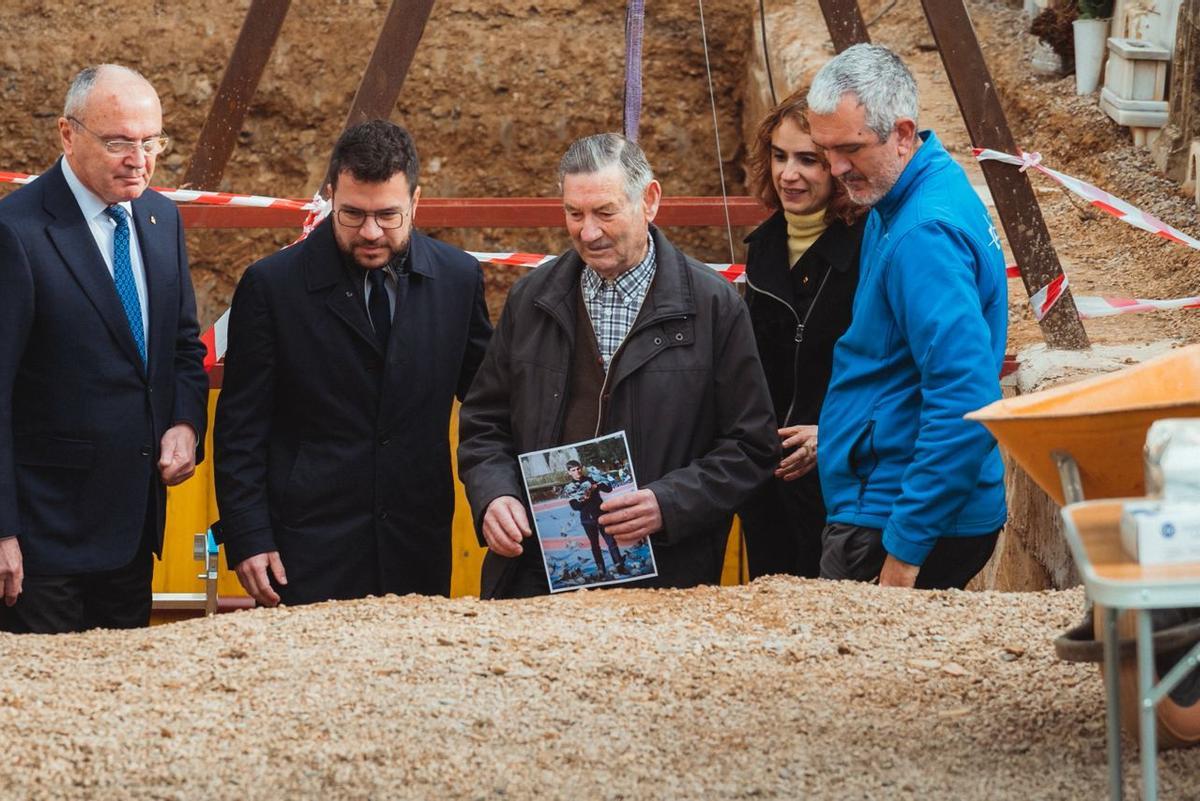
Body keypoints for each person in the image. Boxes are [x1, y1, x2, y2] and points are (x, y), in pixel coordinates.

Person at [457, 132, 778, 599]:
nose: (588, 232)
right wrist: (494, 495)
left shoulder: (715, 307)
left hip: (665, 583)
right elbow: (485, 422)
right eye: (574, 213)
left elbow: (751, 446)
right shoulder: (531, 299)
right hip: (535, 579)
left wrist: (667, 504)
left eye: (605, 212)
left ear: (649, 200)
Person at [213, 120, 492, 606]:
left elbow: (491, 402)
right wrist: (249, 536)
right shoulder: (271, 287)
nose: (370, 232)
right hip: (305, 550)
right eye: (352, 214)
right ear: (329, 197)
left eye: (388, 215)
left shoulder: (458, 279)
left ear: (416, 203)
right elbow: (240, 429)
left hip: (416, 546)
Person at [0, 65, 208, 633]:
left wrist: (186, 423)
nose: (138, 159)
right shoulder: (15, 231)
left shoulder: (160, 216)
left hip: (135, 530)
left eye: (151, 142)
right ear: (68, 135)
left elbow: (183, 347)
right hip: (44, 545)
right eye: (118, 142)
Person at [805, 44, 1007, 589]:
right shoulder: (911, 188)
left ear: (901, 132)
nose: (836, 168)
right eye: (825, 150)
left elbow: (966, 396)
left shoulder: (922, 235)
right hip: (902, 497)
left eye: (850, 148)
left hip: (895, 511)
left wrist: (905, 549)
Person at [737, 88, 866, 580]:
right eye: (779, 156)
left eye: (807, 160)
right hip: (766, 472)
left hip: (836, 473)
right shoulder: (765, 246)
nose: (788, 174)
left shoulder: (867, 248)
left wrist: (832, 434)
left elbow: (892, 367)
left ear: (837, 164)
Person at [562, 459, 627, 579]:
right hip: (587, 520)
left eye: (578, 468)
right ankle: (601, 569)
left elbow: (608, 489)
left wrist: (597, 485)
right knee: (595, 545)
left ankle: (620, 566)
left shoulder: (591, 478)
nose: (577, 472)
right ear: (569, 472)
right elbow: (575, 506)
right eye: (573, 470)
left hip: (602, 515)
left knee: (611, 542)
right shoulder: (569, 487)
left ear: (581, 468)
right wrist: (586, 496)